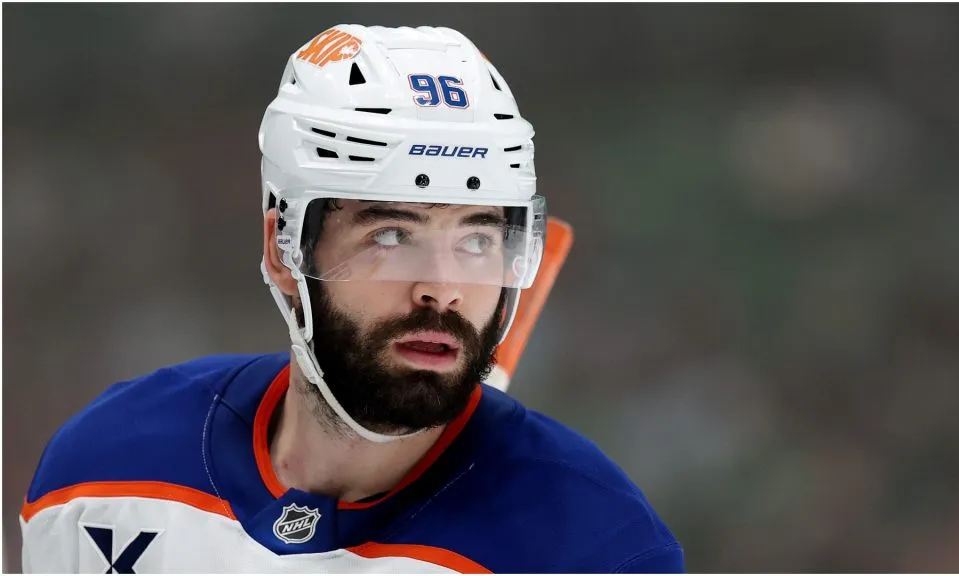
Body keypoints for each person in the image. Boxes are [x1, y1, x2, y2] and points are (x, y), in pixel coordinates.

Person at [20, 24, 684, 573]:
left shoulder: (596, 550)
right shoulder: (103, 470)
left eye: (477, 239)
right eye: (392, 235)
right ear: (285, 249)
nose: (442, 287)